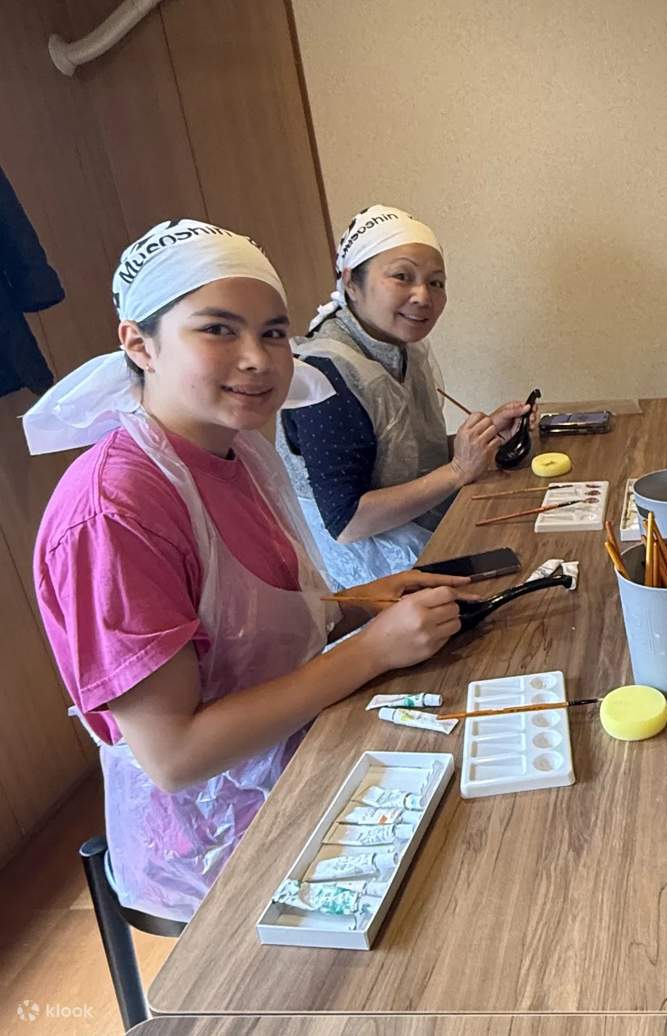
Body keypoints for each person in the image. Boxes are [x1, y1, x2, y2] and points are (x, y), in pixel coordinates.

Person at [26, 219, 469, 922]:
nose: (258, 359)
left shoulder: (237, 449)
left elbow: (237, 627)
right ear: (138, 343)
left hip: (299, 758)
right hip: (212, 850)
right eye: (218, 330)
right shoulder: (114, 511)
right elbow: (175, 754)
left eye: (271, 332)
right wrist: (369, 650)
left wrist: (353, 605)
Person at [277, 205, 536, 588]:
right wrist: (459, 470)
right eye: (402, 276)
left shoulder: (401, 346)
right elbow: (347, 522)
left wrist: (483, 440)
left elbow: (405, 456)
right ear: (351, 282)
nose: (423, 296)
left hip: (422, 532)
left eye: (436, 282)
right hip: (366, 581)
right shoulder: (323, 374)